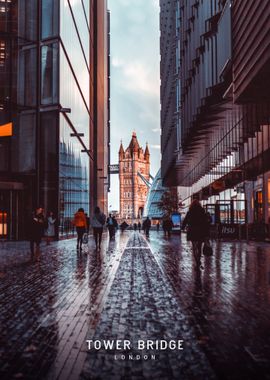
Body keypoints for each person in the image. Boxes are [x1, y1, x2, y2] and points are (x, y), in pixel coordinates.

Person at [181, 200, 208, 270]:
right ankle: (199, 258)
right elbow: (205, 221)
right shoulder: (202, 211)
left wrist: (182, 227)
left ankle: (197, 260)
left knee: (194, 246)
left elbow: (185, 220)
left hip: (192, 231)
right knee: (199, 247)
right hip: (200, 231)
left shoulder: (190, 212)